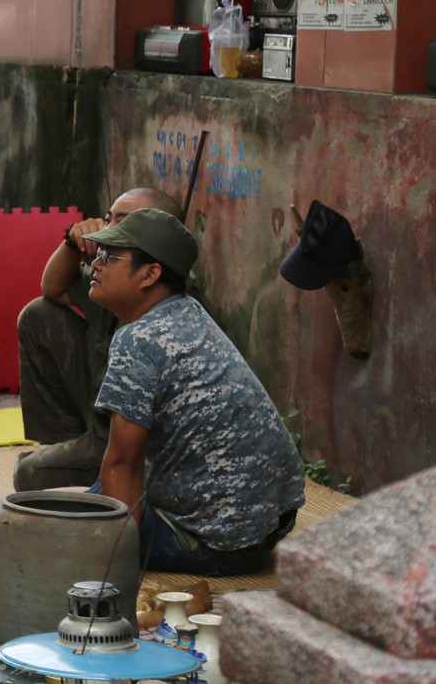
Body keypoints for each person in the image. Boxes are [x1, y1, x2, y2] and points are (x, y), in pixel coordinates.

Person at [84, 208, 306, 575]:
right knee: (97, 489)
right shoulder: (189, 313)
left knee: (70, 522)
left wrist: (112, 562)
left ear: (150, 274)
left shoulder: (137, 340)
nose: (96, 263)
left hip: (217, 545)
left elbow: (125, 464)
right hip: (268, 527)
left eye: (110, 256)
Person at [13, 187, 184, 492]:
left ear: (152, 272)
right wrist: (72, 244)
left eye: (124, 223)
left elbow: (128, 459)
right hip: (102, 414)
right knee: (39, 314)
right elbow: (52, 288)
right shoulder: (118, 277)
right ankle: (66, 441)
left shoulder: (157, 326)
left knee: (29, 474)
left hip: (133, 446)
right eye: (108, 220)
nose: (107, 232)